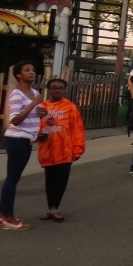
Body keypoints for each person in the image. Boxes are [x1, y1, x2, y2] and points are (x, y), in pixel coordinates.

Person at [0, 60, 45, 230]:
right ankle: (8, 217)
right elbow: (15, 120)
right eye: (27, 70)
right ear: (19, 75)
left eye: (33, 69)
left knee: (13, 178)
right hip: (16, 139)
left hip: (27, 139)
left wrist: (41, 112)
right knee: (12, 179)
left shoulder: (34, 91)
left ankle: (3, 214)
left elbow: (34, 116)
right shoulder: (17, 94)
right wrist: (33, 104)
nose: (31, 72)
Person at [36, 79, 85, 221]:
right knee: (49, 180)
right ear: (48, 90)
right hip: (48, 150)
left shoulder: (70, 107)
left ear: (65, 89)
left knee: (61, 179)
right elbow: (34, 126)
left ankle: (55, 207)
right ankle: (49, 208)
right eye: (53, 88)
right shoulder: (41, 107)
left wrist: (78, 149)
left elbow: (77, 129)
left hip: (65, 150)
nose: (57, 90)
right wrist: (38, 135)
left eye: (60, 88)